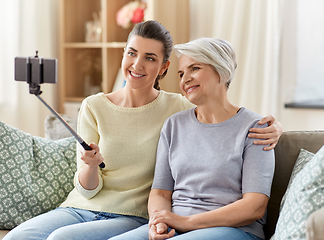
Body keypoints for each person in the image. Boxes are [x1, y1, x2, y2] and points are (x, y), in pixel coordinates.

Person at [3, 22, 280, 240]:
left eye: (149, 58)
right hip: (85, 207)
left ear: (163, 67)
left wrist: (276, 127)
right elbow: (98, 188)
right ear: (123, 54)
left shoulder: (178, 107)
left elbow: (225, 115)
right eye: (132, 53)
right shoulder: (103, 108)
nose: (137, 65)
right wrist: (89, 166)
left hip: (135, 216)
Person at [109, 38, 275, 240]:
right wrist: (159, 222)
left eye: (194, 68)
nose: (184, 79)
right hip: (175, 225)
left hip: (233, 230)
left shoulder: (256, 128)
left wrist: (186, 223)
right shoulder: (173, 125)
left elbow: (254, 206)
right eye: (181, 73)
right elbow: (160, 193)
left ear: (222, 72)